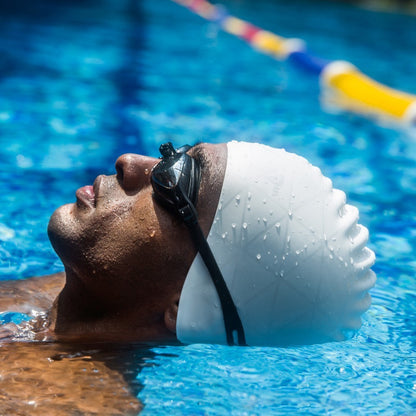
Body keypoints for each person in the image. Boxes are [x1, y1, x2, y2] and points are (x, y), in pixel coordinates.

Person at [0, 141, 376, 347]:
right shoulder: (59, 298)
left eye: (176, 181)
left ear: (181, 306)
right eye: (173, 156)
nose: (129, 162)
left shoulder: (39, 401)